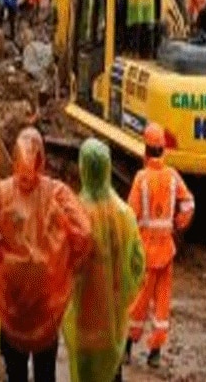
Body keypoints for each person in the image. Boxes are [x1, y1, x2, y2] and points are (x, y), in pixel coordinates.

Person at [0, 128, 92, 382]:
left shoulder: (1, 193)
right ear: (42, 159)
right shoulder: (57, 192)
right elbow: (85, 231)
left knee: (15, 372)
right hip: (47, 302)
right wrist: (69, 263)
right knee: (45, 372)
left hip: (12, 302)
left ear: (15, 158)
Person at [63, 139, 145, 382]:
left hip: (82, 320)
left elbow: (60, 266)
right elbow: (138, 264)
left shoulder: (72, 214)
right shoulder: (124, 215)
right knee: (112, 373)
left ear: (83, 168)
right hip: (112, 322)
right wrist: (123, 296)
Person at [127, 123, 195, 369]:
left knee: (138, 302)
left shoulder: (141, 179)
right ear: (163, 149)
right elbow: (188, 204)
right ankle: (154, 353)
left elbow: (130, 214)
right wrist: (177, 224)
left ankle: (127, 347)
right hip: (166, 251)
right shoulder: (173, 176)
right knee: (162, 305)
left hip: (145, 252)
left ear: (145, 150)